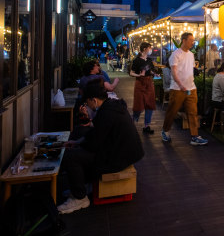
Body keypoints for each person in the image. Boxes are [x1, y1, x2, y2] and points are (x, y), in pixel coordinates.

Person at [57, 79, 144, 214]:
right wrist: (78, 142)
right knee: (80, 137)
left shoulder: (107, 112)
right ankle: (80, 186)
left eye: (87, 102)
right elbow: (96, 134)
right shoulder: (111, 106)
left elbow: (94, 144)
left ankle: (80, 197)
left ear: (94, 100)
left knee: (71, 156)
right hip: (124, 151)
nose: (87, 106)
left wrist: (79, 145)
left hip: (120, 157)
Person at [161, 32, 208, 146]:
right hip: (177, 89)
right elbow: (174, 71)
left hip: (191, 88)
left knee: (192, 112)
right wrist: (180, 84)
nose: (193, 42)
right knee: (172, 111)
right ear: (184, 40)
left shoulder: (191, 55)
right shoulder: (176, 54)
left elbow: (191, 69)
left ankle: (194, 136)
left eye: (193, 40)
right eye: (191, 40)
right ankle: (165, 131)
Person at [129, 42, 157, 134]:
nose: (150, 50)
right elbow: (131, 73)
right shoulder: (136, 60)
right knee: (138, 105)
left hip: (149, 83)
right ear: (145, 49)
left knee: (150, 105)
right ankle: (132, 124)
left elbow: (151, 71)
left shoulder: (149, 60)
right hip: (140, 83)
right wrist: (139, 74)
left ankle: (147, 126)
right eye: (150, 48)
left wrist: (154, 73)